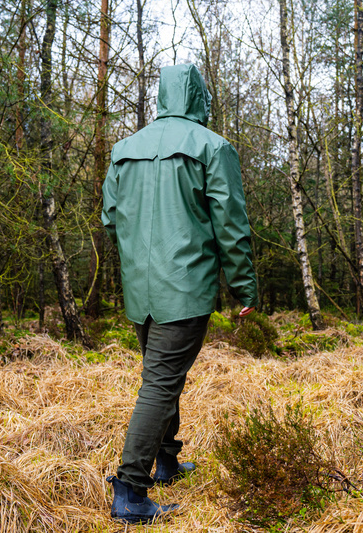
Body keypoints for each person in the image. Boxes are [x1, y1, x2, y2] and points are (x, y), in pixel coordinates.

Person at [101, 63, 258, 523]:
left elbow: (111, 217)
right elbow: (231, 224)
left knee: (163, 375)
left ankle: (167, 460)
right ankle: (130, 490)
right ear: (199, 98)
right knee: (161, 383)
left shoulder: (125, 149)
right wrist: (244, 285)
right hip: (185, 288)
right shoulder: (213, 147)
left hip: (141, 290)